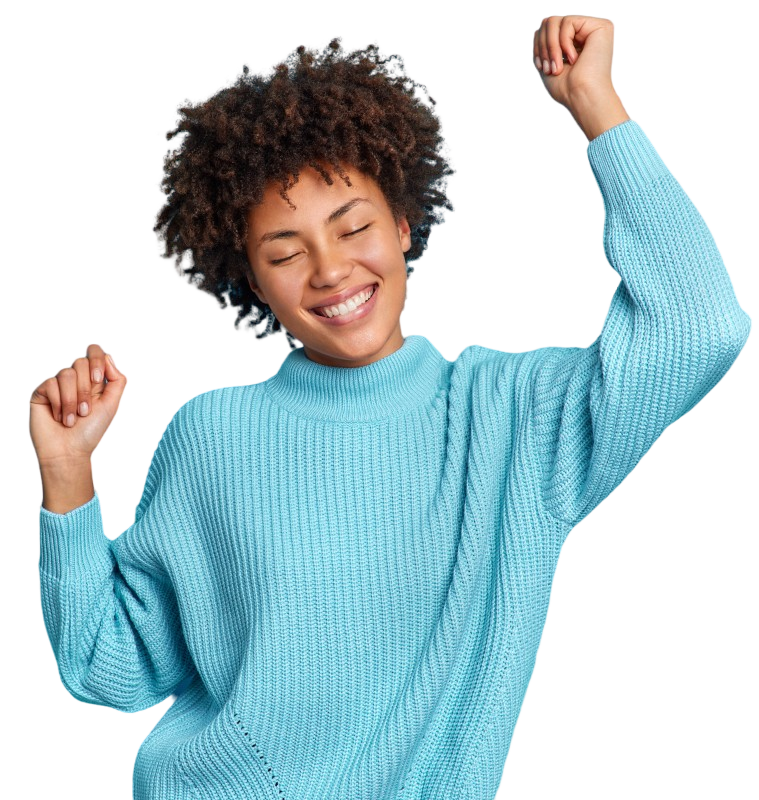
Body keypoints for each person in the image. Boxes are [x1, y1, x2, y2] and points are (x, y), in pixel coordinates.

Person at [29, 16, 752, 800]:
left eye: (354, 228)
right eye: (284, 253)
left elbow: (697, 327)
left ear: (403, 226)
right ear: (252, 280)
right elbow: (111, 664)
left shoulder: (511, 421)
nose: (330, 270)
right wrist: (67, 475)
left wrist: (595, 105)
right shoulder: (211, 437)